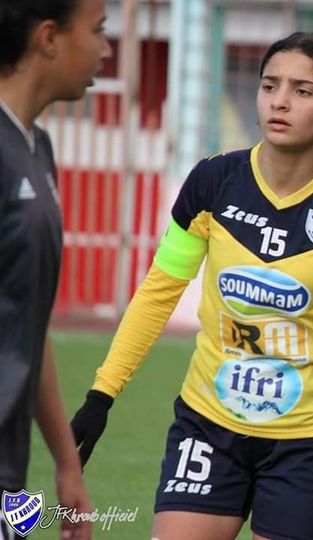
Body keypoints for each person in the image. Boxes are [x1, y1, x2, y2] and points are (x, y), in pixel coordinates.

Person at [70, 32, 313, 540]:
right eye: (270, 85)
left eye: (301, 91)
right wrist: (102, 394)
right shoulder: (214, 181)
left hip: (310, 440)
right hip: (208, 425)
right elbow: (159, 291)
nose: (280, 101)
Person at [0, 1, 111, 538]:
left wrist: (68, 466)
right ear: (48, 37)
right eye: (97, 31)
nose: (105, 50)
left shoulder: (36, 147)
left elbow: (29, 320)